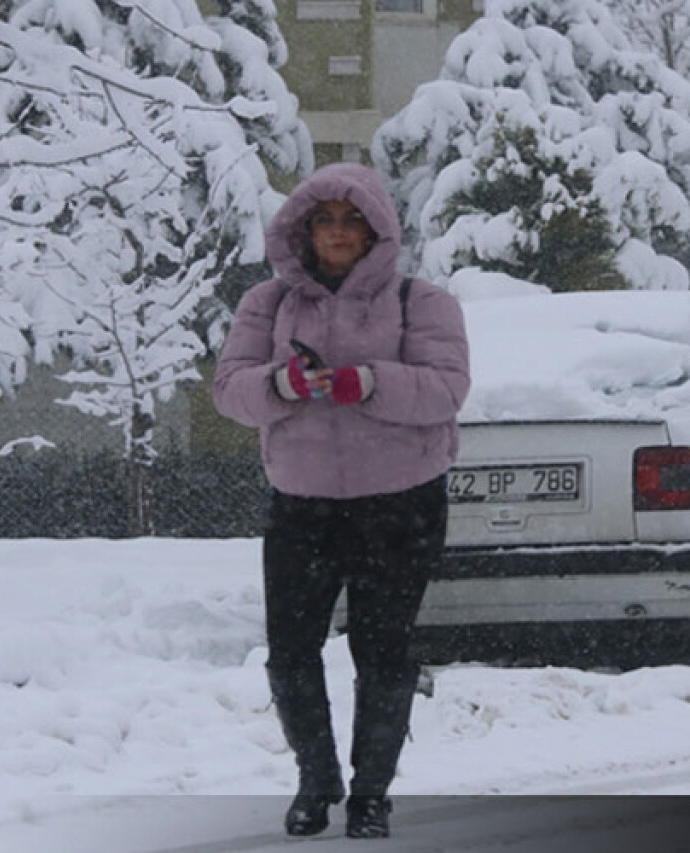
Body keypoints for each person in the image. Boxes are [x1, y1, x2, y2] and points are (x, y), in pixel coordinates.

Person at [213, 163, 470, 839]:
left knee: (383, 652)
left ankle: (372, 794)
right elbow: (230, 389)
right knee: (290, 650)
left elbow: (446, 390)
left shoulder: (423, 302)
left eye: (351, 219)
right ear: (301, 229)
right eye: (323, 219)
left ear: (377, 228)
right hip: (304, 506)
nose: (336, 231)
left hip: (401, 504)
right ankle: (315, 776)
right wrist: (284, 383)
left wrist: (369, 382)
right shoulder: (266, 305)